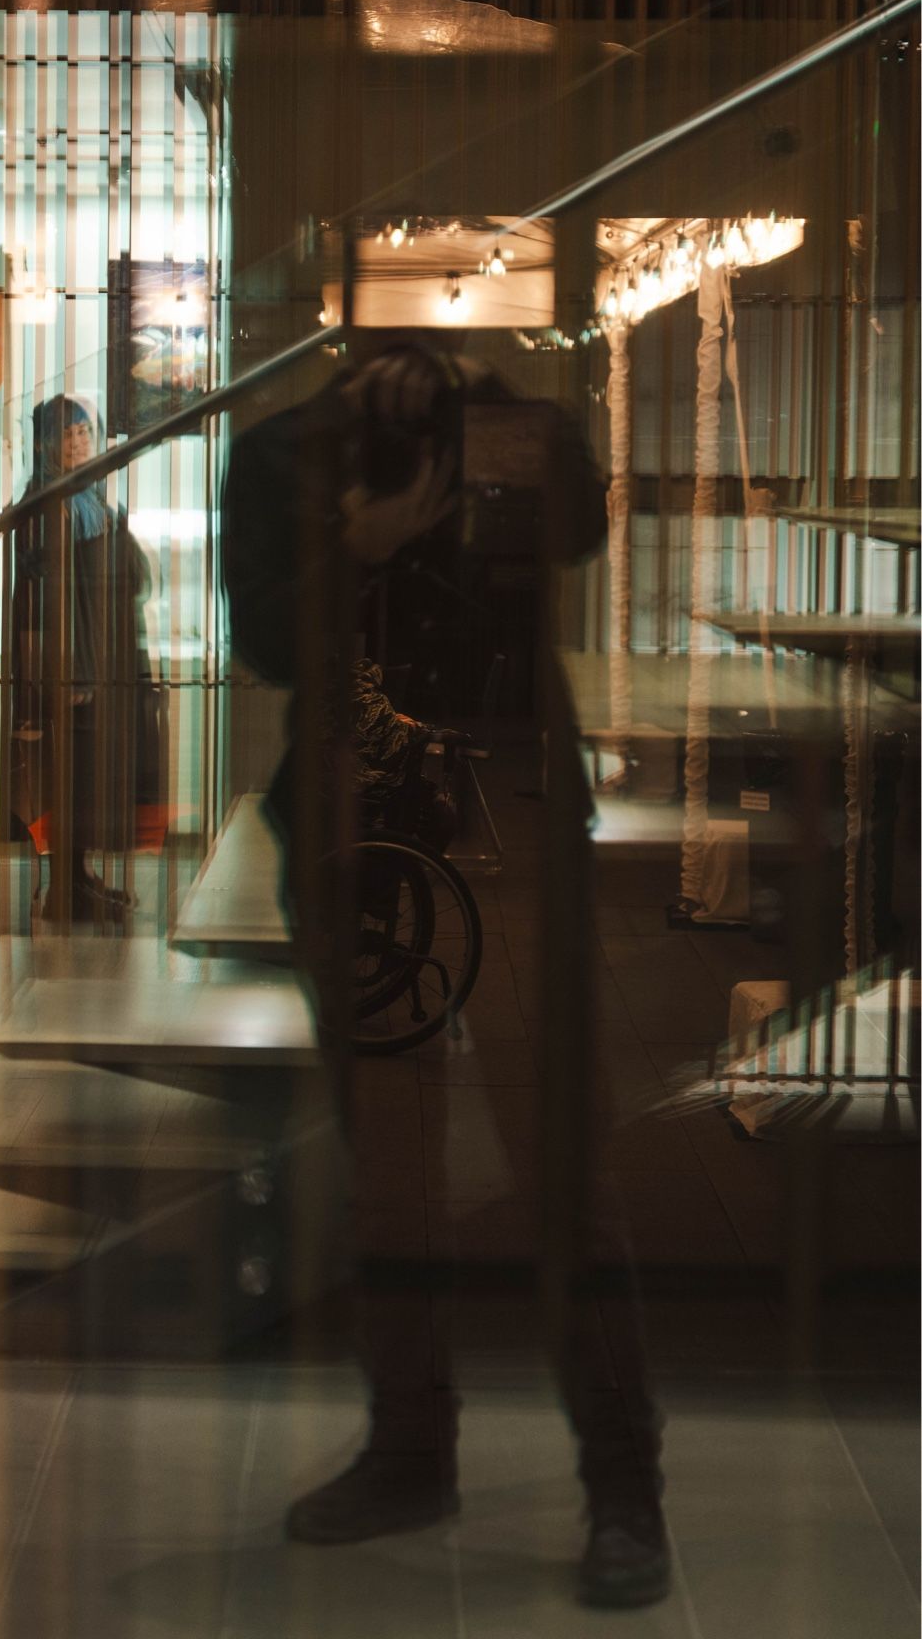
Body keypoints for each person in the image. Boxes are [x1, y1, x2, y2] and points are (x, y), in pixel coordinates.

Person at [222, 340, 669, 1610]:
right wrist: (354, 541)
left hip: (507, 820)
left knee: (559, 1163)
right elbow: (260, 641)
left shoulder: (505, 429)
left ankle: (622, 1477)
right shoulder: (279, 455)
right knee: (392, 1171)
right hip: (360, 834)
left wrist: (489, 408)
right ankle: (412, 1449)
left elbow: (579, 521)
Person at [8, 393, 163, 924]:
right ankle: (64, 889)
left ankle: (78, 880)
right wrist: (71, 669)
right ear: (46, 443)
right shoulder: (48, 502)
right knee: (71, 777)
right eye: (66, 435)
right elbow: (48, 596)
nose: (76, 443)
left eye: (83, 433)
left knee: (88, 775)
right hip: (72, 665)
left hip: (98, 657)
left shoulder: (88, 497)